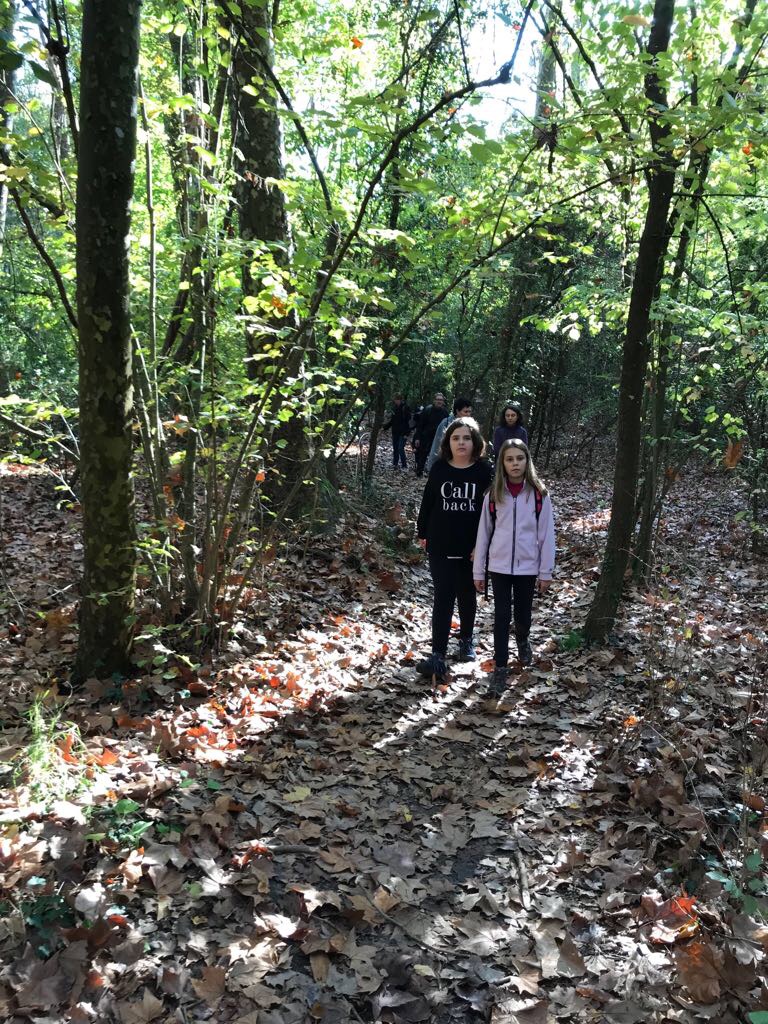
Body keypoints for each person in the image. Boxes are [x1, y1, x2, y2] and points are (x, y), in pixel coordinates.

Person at [473, 439, 555, 697]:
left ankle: (522, 638)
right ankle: (500, 667)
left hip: (527, 567)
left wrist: (545, 571)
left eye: (520, 458)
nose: (515, 463)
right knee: (501, 616)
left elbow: (546, 535)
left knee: (522, 614)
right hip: (498, 566)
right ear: (503, 463)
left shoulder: (539, 494)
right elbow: (483, 534)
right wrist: (479, 570)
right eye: (509, 459)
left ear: (527, 461)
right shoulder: (494, 494)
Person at [416, 417, 493, 680]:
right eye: (456, 438)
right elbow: (428, 501)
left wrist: (483, 545)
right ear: (448, 442)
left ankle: (466, 641)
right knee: (443, 596)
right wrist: (423, 532)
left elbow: (491, 512)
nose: (461, 443)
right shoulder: (439, 468)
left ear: (475, 442)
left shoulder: (484, 471)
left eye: (466, 438)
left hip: (472, 546)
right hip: (440, 542)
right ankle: (437, 653)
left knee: (467, 594)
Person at [426, 396, 473, 474]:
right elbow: (436, 445)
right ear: (457, 411)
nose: (468, 414)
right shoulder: (446, 423)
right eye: (466, 412)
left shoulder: (471, 425)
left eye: (470, 412)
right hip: (446, 464)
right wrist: (431, 467)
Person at [413, 393, 449, 477]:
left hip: (439, 438)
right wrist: (417, 438)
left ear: (443, 402)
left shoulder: (445, 412)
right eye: (438, 399)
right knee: (423, 455)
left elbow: (447, 426)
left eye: (441, 400)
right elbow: (420, 424)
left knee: (437, 456)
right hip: (426, 437)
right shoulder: (427, 410)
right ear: (434, 401)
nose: (439, 401)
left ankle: (434, 474)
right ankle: (419, 473)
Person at [383, 394, 411, 470]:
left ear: (400, 400)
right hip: (395, 432)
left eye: (396, 399)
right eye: (395, 399)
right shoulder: (394, 408)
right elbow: (393, 420)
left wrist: (407, 433)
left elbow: (408, 422)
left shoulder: (405, 408)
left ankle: (404, 465)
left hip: (403, 432)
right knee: (395, 448)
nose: (395, 401)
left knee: (400, 448)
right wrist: (385, 427)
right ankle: (395, 464)